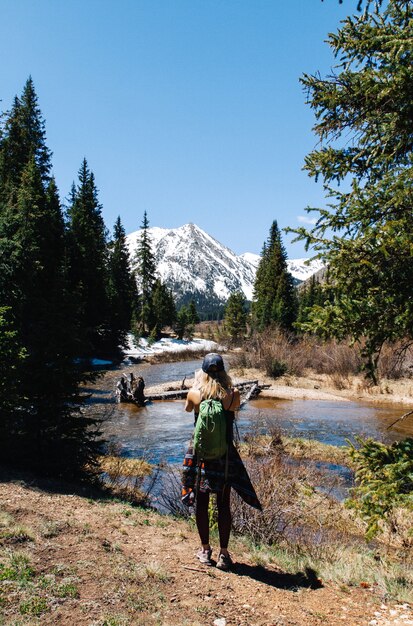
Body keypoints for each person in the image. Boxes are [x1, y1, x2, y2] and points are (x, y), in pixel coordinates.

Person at [183, 353, 261, 571]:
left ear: (203, 372)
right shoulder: (232, 394)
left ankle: (205, 550)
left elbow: (188, 409)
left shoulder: (194, 393)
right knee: (223, 503)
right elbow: (233, 411)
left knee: (201, 501)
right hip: (225, 457)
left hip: (201, 457)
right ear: (223, 371)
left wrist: (196, 387)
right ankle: (224, 554)